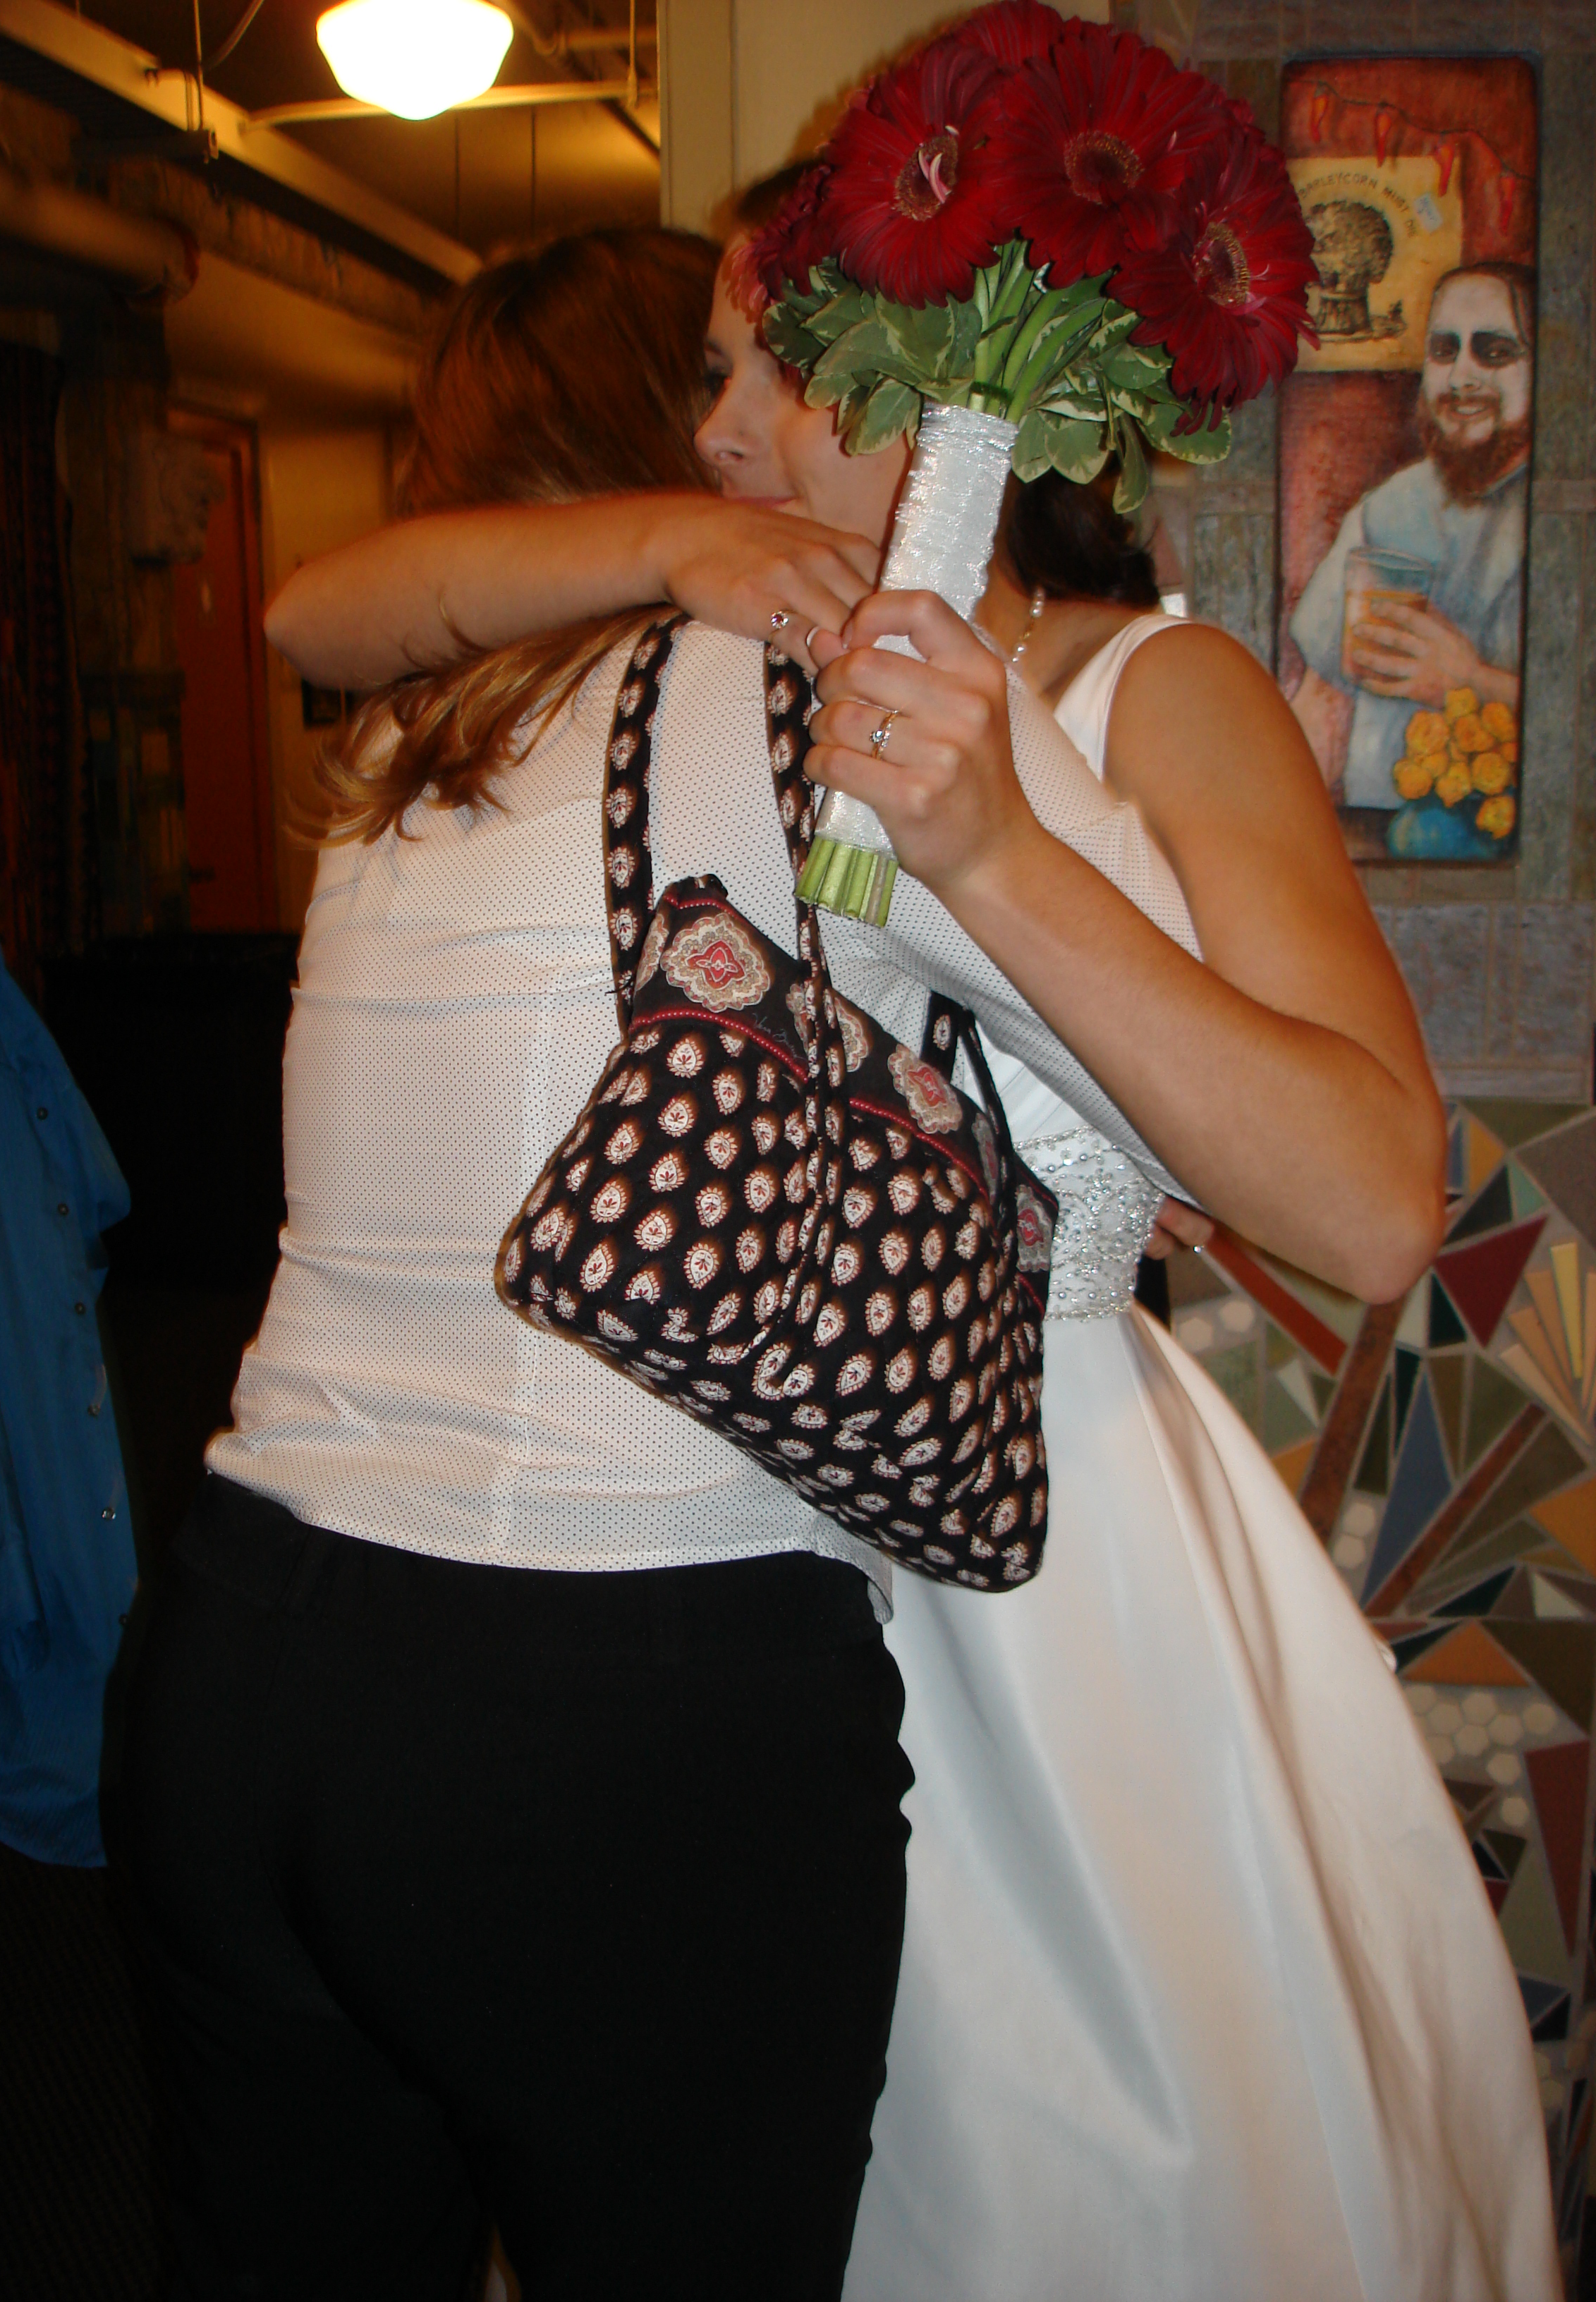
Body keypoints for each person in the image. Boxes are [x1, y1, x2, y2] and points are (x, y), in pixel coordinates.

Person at [266, 191, 1557, 2299]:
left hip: (1036, 1580)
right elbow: (328, 613)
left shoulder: (1146, 684)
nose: (725, 430)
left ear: (969, 386)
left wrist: (997, 851)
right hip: (691, 1552)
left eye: (785, 369)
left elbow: (1371, 1200)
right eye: (714, 373)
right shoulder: (681, 665)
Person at [120, 229, 918, 2302]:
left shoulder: (404, 739)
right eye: (729, 376)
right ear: (676, 429)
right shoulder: (793, 700)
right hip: (618, 1684)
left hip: (249, 1643)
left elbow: (321, 605)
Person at [1288, 262, 1533, 815]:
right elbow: (1323, 707)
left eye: (1494, 352)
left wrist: (1470, 682)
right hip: (1378, 838)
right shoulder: (1387, 510)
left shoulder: (1568, 515)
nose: (1462, 376)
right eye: (1445, 351)